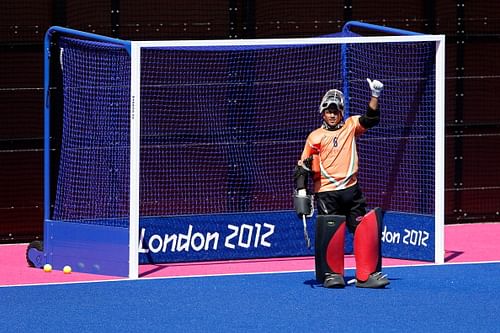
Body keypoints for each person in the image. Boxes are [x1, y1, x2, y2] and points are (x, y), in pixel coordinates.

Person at [293, 78, 390, 289]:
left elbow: (371, 119)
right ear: (322, 112)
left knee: (363, 228)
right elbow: (303, 166)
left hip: (351, 190)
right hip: (327, 193)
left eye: (336, 111)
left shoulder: (350, 126)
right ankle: (332, 274)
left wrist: (375, 96)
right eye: (329, 110)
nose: (332, 114)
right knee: (331, 231)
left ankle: (366, 275)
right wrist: (301, 192)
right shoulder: (315, 137)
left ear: (341, 112)